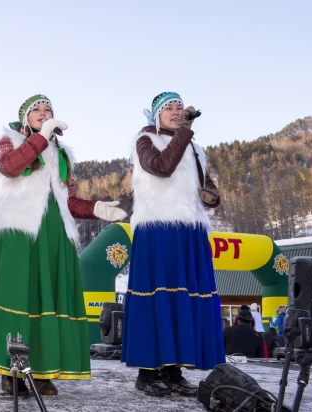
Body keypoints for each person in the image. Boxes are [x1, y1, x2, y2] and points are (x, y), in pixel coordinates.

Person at [0, 94, 127, 396]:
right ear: (25, 118)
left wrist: (96, 208)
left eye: (47, 109)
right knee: (16, 297)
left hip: (52, 231)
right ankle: (9, 370)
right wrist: (43, 136)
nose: (43, 112)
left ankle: (41, 370)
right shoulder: (8, 140)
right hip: (17, 230)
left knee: (44, 300)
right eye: (36, 109)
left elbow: (67, 199)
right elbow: (10, 166)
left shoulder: (60, 153)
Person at [121, 92, 225, 397]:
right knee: (159, 294)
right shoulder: (145, 139)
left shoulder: (193, 147)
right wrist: (184, 132)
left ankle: (173, 369)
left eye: (180, 107)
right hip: (158, 225)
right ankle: (147, 373)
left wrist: (212, 195)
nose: (177, 111)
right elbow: (161, 167)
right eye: (169, 108)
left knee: (186, 297)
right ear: (156, 115)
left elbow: (206, 185)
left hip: (190, 227)